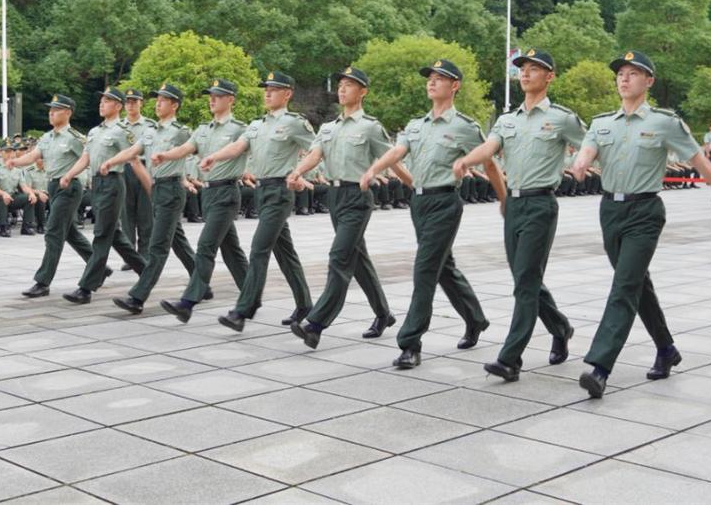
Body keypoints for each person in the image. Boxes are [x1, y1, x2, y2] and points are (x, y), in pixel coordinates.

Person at [571, 51, 711, 398]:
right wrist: (579, 165)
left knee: (623, 286)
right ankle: (666, 350)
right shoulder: (602, 122)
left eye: (633, 73)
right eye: (620, 73)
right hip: (610, 211)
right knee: (636, 284)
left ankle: (600, 367)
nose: (624, 78)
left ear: (648, 81)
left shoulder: (665, 123)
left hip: (645, 212)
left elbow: (701, 163)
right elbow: (586, 153)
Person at [364, 59, 506, 368]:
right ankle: (476, 318)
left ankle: (410, 343)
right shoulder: (416, 125)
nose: (431, 82)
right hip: (419, 202)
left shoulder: (464, 127)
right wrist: (375, 167)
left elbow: (489, 163)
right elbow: (397, 152)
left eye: (439, 78)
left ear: (454, 86)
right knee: (443, 267)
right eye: (429, 77)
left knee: (425, 268)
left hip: (445, 202)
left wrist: (503, 198)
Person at [453, 48, 584, 383]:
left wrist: (588, 164)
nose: (525, 74)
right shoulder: (506, 119)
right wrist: (468, 160)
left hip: (541, 204)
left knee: (525, 282)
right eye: (522, 68)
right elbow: (491, 148)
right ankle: (560, 327)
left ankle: (510, 358)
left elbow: (591, 147)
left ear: (549, 76)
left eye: (533, 69)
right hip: (513, 205)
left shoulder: (562, 118)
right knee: (526, 279)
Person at [286, 67, 399, 349]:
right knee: (357, 259)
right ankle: (384, 314)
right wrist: (297, 172)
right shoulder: (328, 128)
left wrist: (410, 182)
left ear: (363, 92)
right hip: (335, 197)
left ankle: (315, 324)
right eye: (341, 84)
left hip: (358, 197)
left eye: (350, 85)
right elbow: (315, 155)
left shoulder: (370, 127)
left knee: (339, 257)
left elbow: (392, 158)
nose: (342, 89)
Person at [200, 71, 314, 332]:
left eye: (274, 89)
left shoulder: (295, 123)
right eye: (266, 89)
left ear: (288, 94)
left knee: (258, 248)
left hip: (279, 191)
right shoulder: (256, 125)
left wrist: (300, 173)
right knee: (284, 252)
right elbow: (238, 147)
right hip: (262, 191)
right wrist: (214, 157)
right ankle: (305, 303)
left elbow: (317, 148)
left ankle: (244, 309)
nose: (267, 92)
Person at [154, 79, 251, 323]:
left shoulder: (239, 129)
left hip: (227, 193)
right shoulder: (203, 129)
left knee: (207, 246)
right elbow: (186, 148)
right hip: (208, 194)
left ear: (230, 100)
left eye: (218, 96)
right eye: (211, 95)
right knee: (232, 251)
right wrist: (165, 155)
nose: (212, 99)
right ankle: (252, 292)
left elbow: (240, 150)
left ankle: (188, 302)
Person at [107, 84, 198, 314]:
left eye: (163, 100)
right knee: (177, 240)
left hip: (172, 189)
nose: (157, 103)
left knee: (158, 247)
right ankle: (201, 283)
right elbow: (133, 151)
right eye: (157, 99)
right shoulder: (150, 131)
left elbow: (194, 150)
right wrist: (111, 161)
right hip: (157, 188)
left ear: (175, 105)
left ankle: (137, 297)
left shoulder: (181, 131)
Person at [59, 87, 147, 304]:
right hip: (97, 184)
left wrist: (148, 185)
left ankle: (86, 288)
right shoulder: (94, 132)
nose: (102, 104)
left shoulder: (121, 131)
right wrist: (69, 174)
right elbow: (86, 158)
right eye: (101, 100)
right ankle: (147, 272)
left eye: (107, 101)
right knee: (114, 234)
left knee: (101, 235)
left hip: (113, 183)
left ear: (118, 106)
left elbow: (133, 158)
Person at [9, 95, 94, 298]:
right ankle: (97, 265)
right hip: (53, 186)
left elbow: (88, 157)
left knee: (53, 232)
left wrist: (71, 174)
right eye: (50, 110)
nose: (51, 113)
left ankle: (43, 282)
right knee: (70, 233)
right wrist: (16, 161)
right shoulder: (47, 137)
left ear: (68, 112)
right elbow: (34, 156)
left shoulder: (75, 137)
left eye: (56, 110)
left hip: (69, 186)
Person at [120, 89, 156, 267]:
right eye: (127, 102)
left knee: (145, 213)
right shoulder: (118, 126)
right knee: (126, 215)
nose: (131, 105)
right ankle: (130, 256)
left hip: (143, 169)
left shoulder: (150, 125)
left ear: (141, 103)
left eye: (134, 101)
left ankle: (145, 253)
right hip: (124, 169)